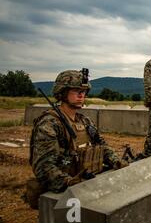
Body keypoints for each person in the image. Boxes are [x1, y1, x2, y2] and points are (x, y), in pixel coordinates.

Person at [27, 70, 127, 206]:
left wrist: (116, 161)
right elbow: (44, 167)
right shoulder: (50, 123)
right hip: (62, 192)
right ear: (62, 93)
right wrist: (70, 182)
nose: (81, 95)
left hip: (86, 183)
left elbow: (102, 146)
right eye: (76, 91)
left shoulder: (84, 121)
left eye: (84, 91)